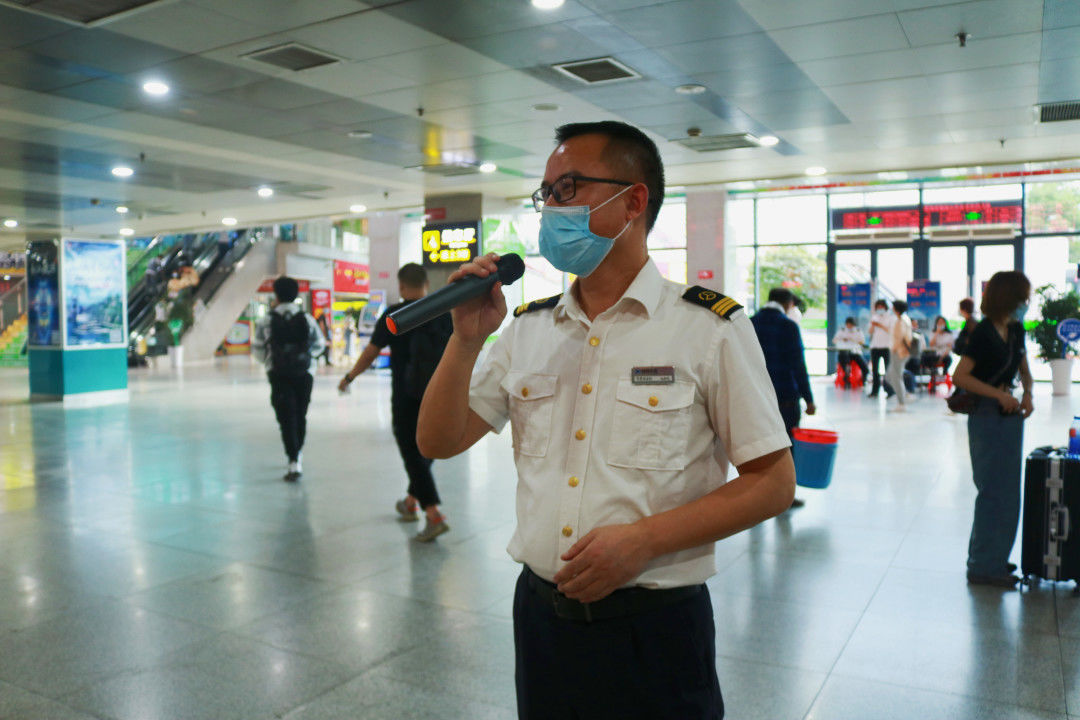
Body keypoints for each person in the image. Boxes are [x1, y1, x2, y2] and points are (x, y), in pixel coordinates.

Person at [416, 120, 795, 718]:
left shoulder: (707, 328)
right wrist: (464, 341)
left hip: (656, 632)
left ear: (634, 201)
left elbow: (773, 482)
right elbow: (438, 441)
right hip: (541, 624)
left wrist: (643, 541)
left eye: (568, 188)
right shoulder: (527, 330)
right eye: (546, 195)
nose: (551, 210)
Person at [339, 263, 453, 542]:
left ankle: (433, 513)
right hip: (439, 392)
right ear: (426, 283)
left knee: (411, 450)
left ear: (402, 286)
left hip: (406, 394)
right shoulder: (442, 313)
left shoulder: (394, 314)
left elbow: (371, 352)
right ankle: (411, 501)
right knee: (428, 446)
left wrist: (350, 377)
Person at [952, 271, 1034, 587]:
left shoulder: (1015, 329)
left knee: (1008, 492)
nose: (1025, 303)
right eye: (1022, 297)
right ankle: (982, 565)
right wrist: (998, 393)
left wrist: (1027, 392)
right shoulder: (984, 332)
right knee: (991, 490)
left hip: (1009, 413)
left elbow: (1024, 368)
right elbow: (961, 376)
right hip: (987, 413)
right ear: (1008, 297)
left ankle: (995, 559)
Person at [252, 276, 326, 480]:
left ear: (276, 294)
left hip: (278, 374)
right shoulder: (307, 319)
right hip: (304, 374)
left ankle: (292, 458)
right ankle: (297, 454)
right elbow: (320, 345)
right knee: (301, 413)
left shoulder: (266, 320)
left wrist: (270, 362)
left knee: (285, 416)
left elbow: (257, 349)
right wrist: (307, 359)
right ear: (296, 294)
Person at [752, 287, 816, 509]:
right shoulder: (788, 326)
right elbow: (798, 364)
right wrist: (808, 398)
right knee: (787, 447)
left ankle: (756, 495)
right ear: (788, 303)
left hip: (755, 398)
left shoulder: (749, 323)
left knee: (756, 448)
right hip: (785, 397)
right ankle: (785, 496)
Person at [885, 299, 913, 412]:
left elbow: (899, 338)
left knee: (895, 376)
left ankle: (901, 402)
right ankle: (903, 394)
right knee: (892, 375)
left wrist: (893, 349)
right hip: (901, 352)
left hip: (898, 352)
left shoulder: (900, 321)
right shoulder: (904, 320)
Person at [867, 298, 895, 398]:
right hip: (875, 346)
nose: (880, 308)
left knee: (887, 370)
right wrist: (873, 325)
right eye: (878, 307)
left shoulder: (890, 317)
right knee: (875, 370)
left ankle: (890, 390)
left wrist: (880, 325)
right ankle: (875, 390)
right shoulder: (874, 317)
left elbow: (891, 331)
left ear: (885, 307)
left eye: (881, 306)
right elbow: (870, 332)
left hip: (886, 347)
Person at [926, 315, 955, 382]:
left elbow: (950, 347)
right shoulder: (933, 333)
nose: (941, 324)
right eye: (939, 323)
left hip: (945, 355)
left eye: (942, 322)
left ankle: (944, 376)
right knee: (930, 358)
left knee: (948, 359)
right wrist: (937, 333)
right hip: (935, 354)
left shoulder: (949, 334)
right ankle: (933, 377)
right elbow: (931, 344)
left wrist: (941, 358)